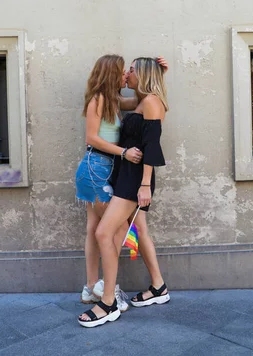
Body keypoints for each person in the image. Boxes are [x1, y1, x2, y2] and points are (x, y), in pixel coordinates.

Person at [78, 57, 169, 328]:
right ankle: (157, 286)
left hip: (133, 180)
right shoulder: (139, 101)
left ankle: (107, 301)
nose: (127, 74)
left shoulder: (150, 102)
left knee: (105, 232)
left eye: (131, 70)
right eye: (124, 70)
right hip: (123, 174)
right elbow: (116, 108)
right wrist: (159, 75)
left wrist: (144, 185)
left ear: (141, 75)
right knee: (136, 231)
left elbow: (152, 147)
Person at [75, 54, 142, 312]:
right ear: (112, 73)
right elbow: (91, 138)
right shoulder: (99, 99)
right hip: (96, 169)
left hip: (103, 169)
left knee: (96, 228)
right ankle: (108, 290)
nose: (127, 75)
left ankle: (91, 287)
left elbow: (142, 100)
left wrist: (158, 75)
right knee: (116, 229)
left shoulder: (113, 100)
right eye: (123, 71)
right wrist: (123, 152)